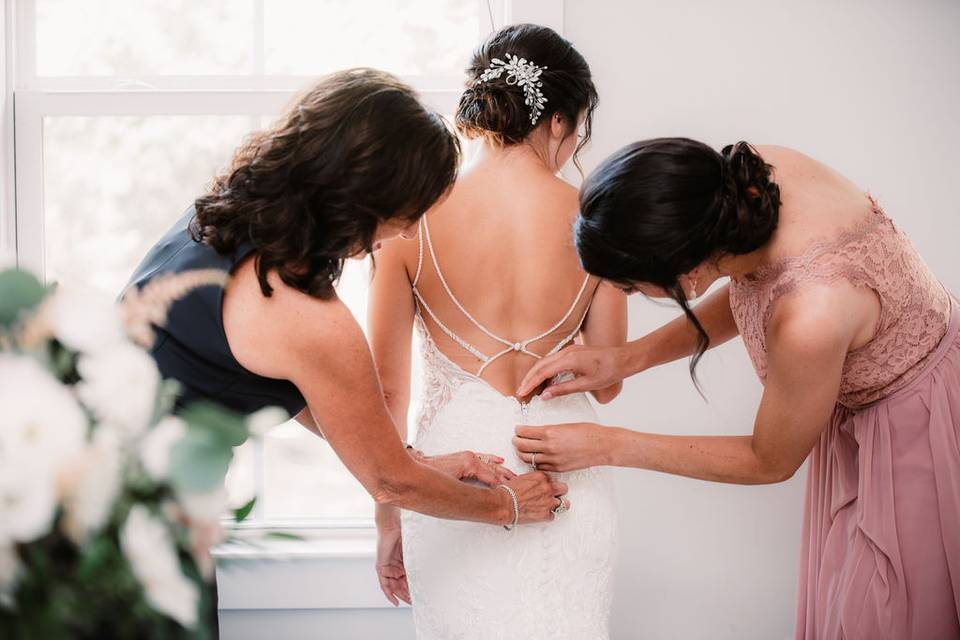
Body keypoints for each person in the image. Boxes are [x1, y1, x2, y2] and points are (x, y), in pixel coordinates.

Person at [515, 138, 960, 639]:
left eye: (635, 288)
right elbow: (754, 280)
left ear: (688, 271)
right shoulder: (745, 184)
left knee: (888, 615)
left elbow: (769, 460)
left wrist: (610, 445)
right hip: (864, 388)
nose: (636, 296)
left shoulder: (811, 317)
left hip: (917, 433)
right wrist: (625, 358)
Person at [124, 69, 567, 537]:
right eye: (409, 212)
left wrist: (410, 460)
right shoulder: (306, 317)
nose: (410, 232)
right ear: (365, 195)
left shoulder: (216, 216)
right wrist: (506, 505)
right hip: (142, 526)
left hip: (85, 479)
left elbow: (277, 383)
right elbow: (391, 484)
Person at [367, 24, 627, 639]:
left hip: (454, 478)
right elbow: (610, 379)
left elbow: (385, 395)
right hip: (567, 466)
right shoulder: (596, 216)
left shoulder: (413, 217)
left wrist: (388, 517)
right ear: (559, 119)